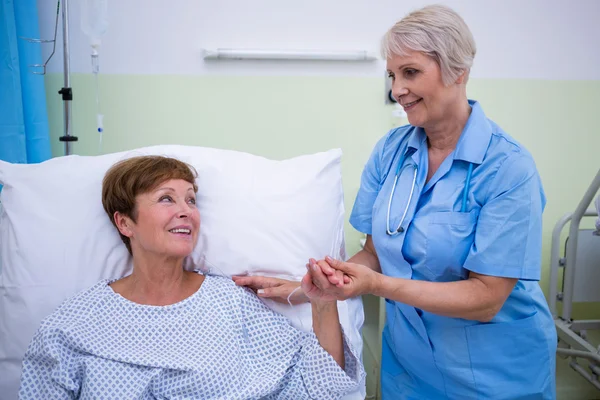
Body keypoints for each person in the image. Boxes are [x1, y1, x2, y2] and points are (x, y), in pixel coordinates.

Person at [235, 5, 557, 399]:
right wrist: (305, 289)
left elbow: (487, 298)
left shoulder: (507, 167)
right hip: (408, 370)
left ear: (458, 70)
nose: (396, 89)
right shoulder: (391, 152)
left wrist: (378, 285)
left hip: (495, 376)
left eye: (410, 72)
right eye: (391, 75)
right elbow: (373, 252)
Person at [18, 156, 364, 399]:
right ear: (125, 223)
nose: (186, 210)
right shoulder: (72, 324)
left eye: (191, 199)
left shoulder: (230, 303)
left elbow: (320, 386)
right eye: (166, 199)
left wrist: (322, 304)